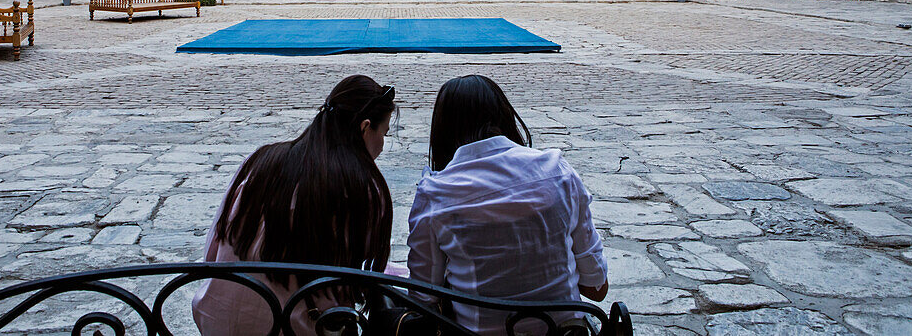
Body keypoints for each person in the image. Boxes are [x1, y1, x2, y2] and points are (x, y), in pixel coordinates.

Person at [192, 75, 396, 336]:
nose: (382, 145)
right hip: (297, 325)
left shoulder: (259, 161)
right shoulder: (361, 188)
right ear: (364, 127)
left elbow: (216, 245)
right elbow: (354, 269)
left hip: (220, 318)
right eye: (384, 134)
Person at [407, 75, 608, 336]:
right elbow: (596, 286)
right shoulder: (558, 172)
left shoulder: (436, 194)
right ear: (504, 116)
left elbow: (424, 296)